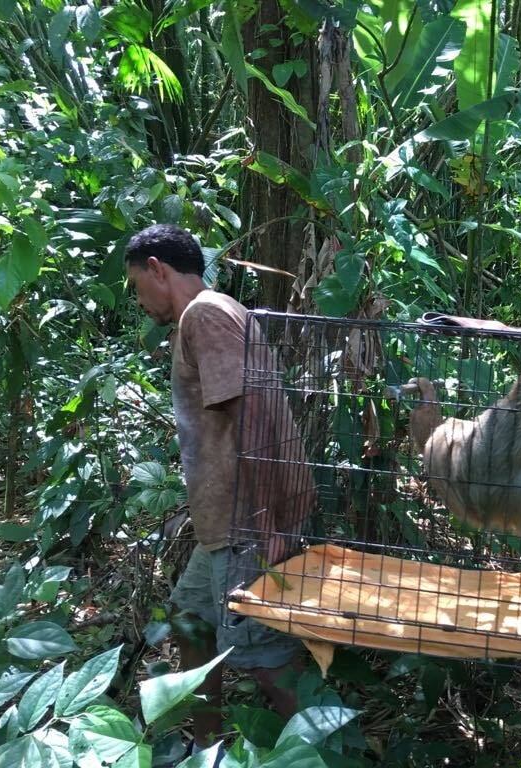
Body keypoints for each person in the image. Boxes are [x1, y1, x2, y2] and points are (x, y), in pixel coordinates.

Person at [125, 224, 313, 751]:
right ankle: (206, 748)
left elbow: (248, 412)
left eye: (138, 285)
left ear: (158, 269)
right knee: (190, 621)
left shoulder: (203, 315)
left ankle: (326, 753)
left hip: (247, 521)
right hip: (226, 521)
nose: (141, 301)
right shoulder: (217, 309)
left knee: (266, 660)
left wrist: (270, 524)